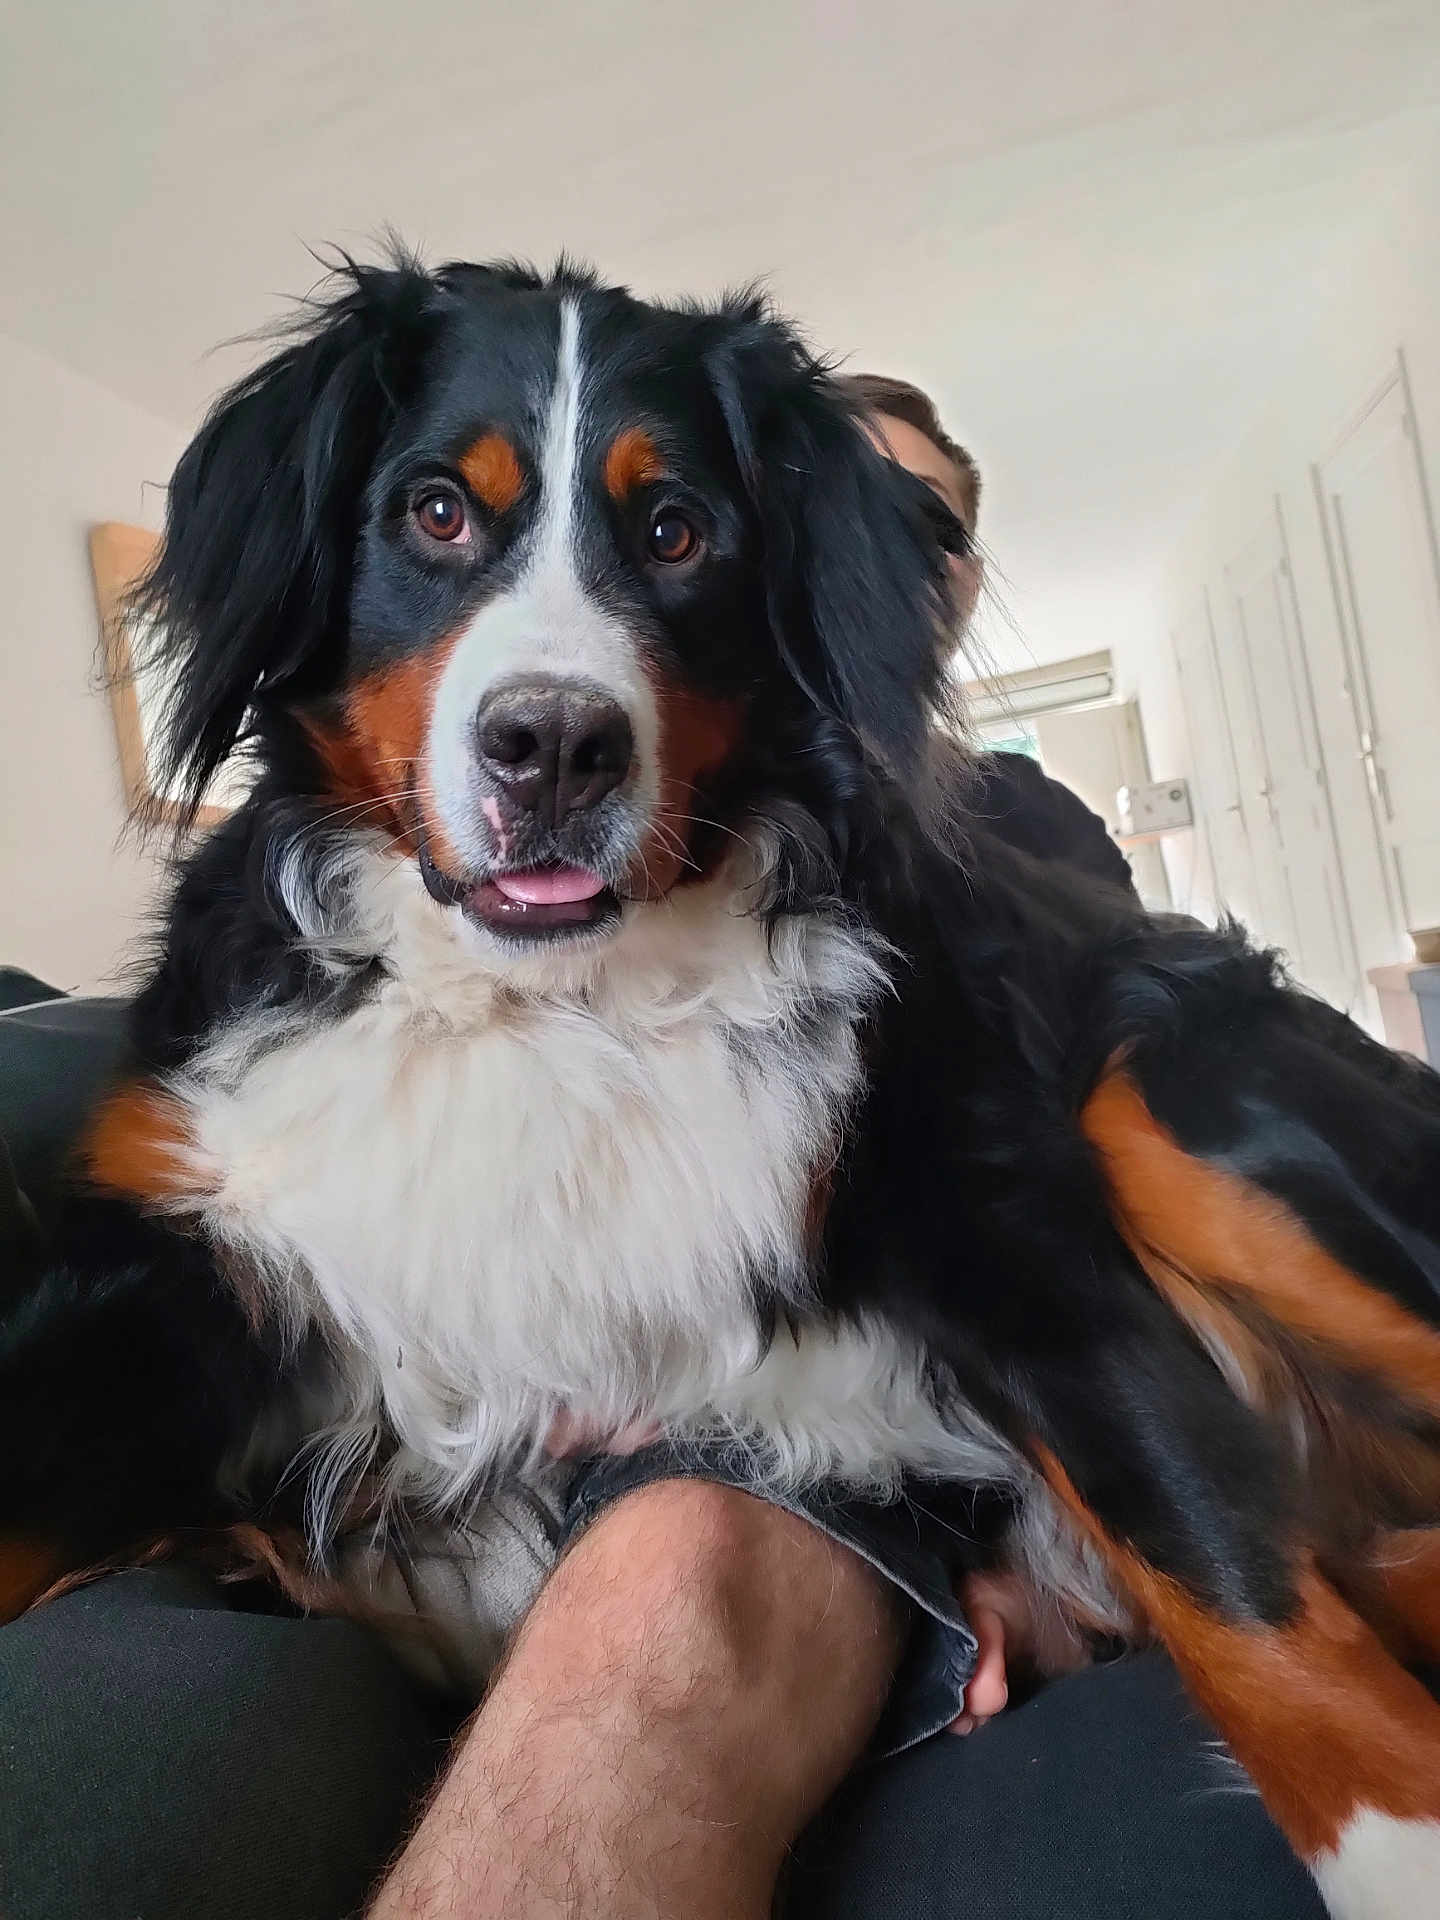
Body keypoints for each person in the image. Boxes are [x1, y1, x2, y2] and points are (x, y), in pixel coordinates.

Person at [0, 386, 1320, 1918]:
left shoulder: (1019, 820)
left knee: (674, 1572)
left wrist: (1061, 1505)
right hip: (441, 1385)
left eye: (923, 536)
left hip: (813, 1391)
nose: (875, 565)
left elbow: (1032, 1184)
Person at [845, 372, 1139, 900]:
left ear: (968, 589)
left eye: (924, 516)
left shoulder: (1045, 822)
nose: (879, 549)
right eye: (843, 509)